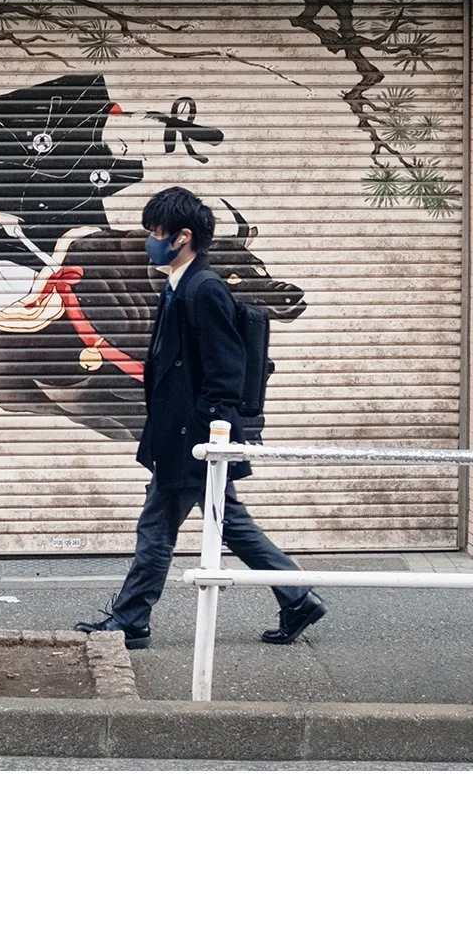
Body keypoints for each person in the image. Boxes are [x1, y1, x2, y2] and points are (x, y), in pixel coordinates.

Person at [76, 186, 327, 649]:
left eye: (155, 231)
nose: (149, 239)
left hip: (192, 439)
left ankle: (132, 619)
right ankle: (297, 597)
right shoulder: (178, 287)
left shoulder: (203, 290)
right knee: (230, 523)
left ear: (181, 237)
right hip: (181, 436)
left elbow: (226, 371)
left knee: (157, 528)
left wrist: (204, 434)